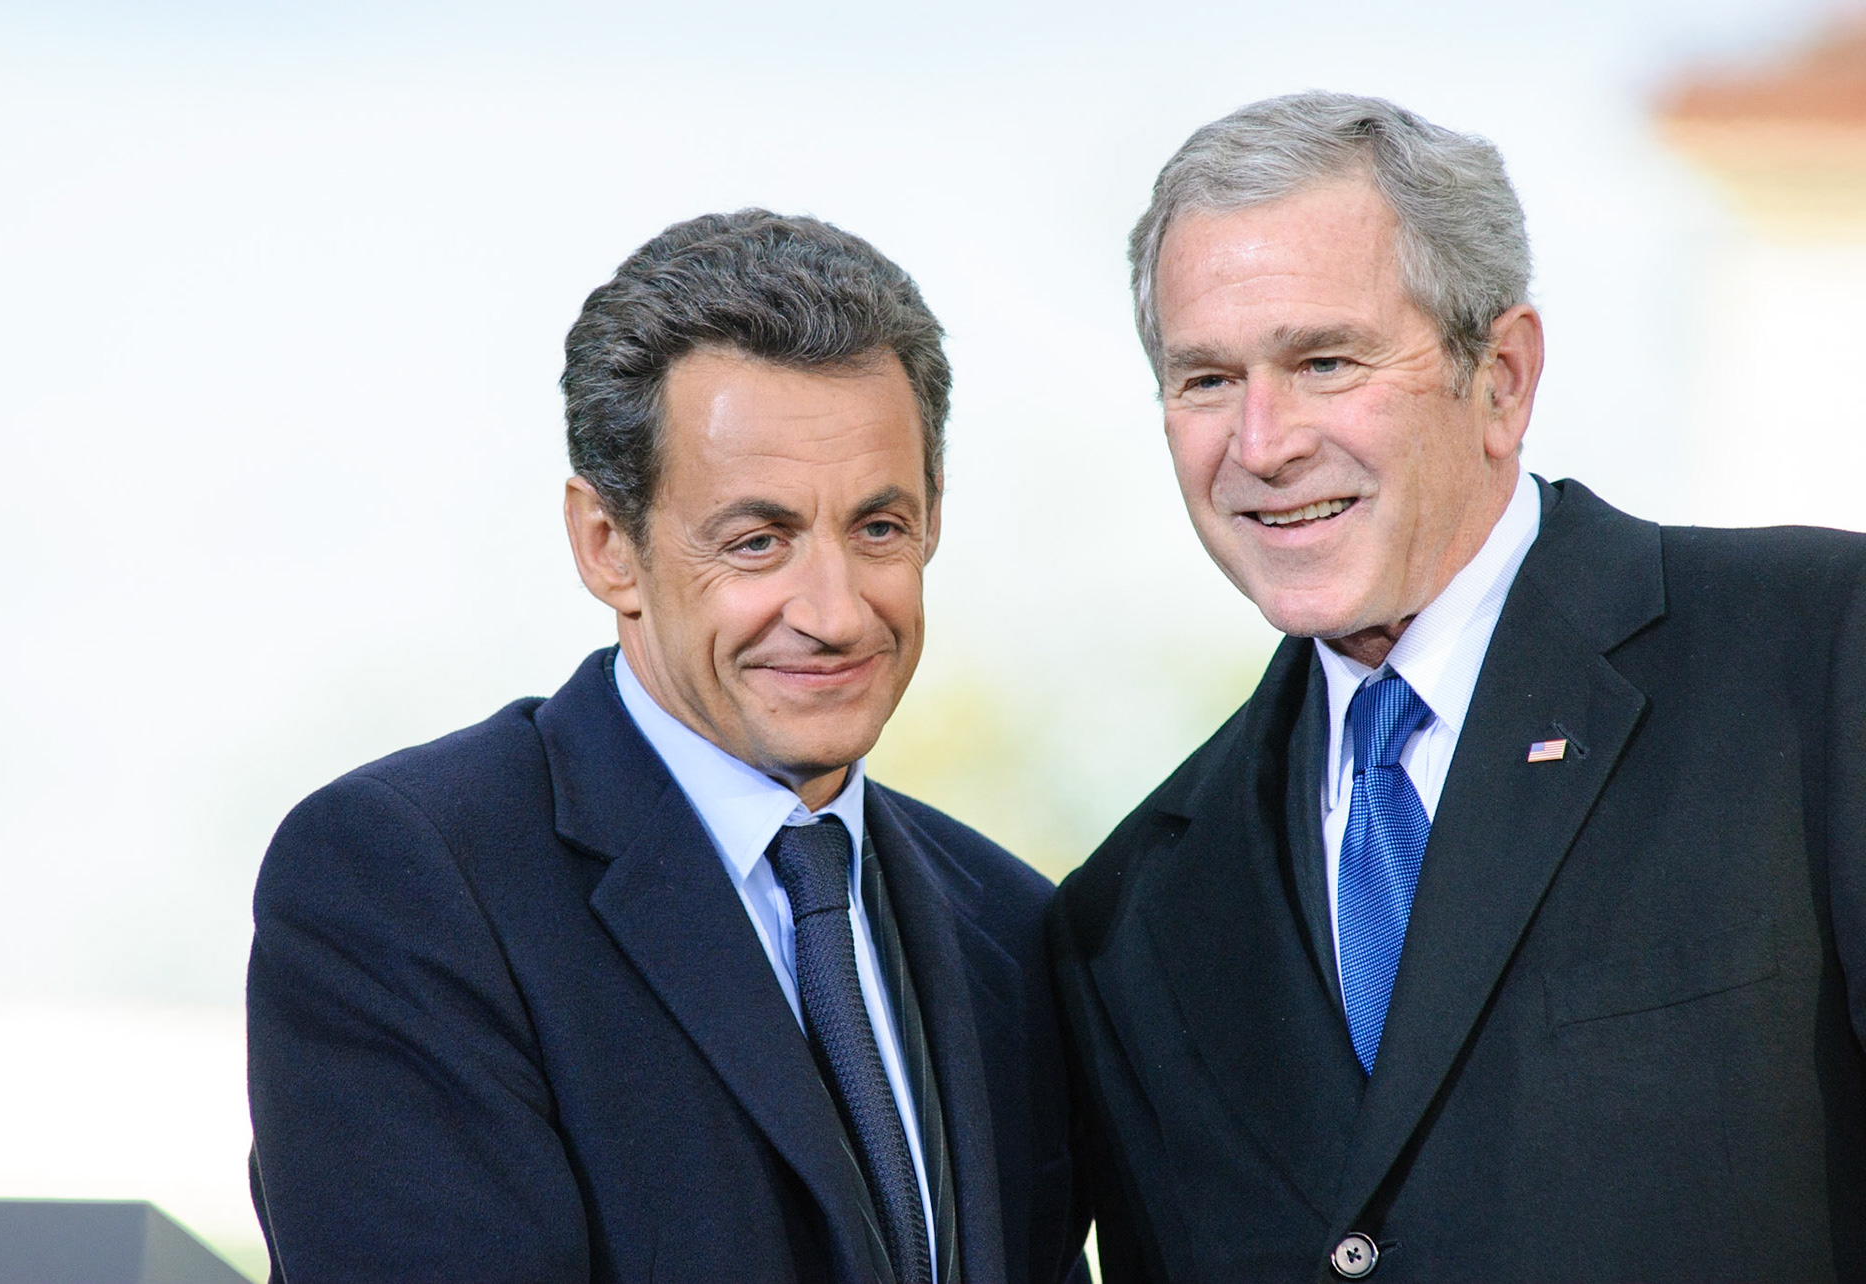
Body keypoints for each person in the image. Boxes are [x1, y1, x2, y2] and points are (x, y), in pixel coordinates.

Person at [1050, 92, 1866, 1282]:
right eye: (1208, 380)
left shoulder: (1817, 657)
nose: (1263, 443)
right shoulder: (1126, 913)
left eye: (1325, 361)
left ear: (1503, 377)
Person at [249, 209, 1087, 1284]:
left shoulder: (1009, 926)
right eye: (757, 541)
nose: (835, 612)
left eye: (879, 529)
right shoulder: (408, 884)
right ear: (607, 545)